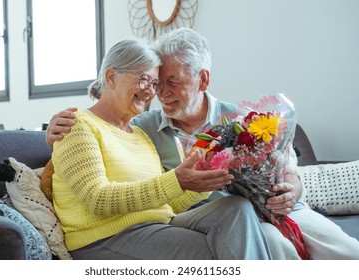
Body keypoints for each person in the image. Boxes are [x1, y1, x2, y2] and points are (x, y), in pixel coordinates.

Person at [47, 28, 359, 259]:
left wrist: (290, 190)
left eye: (168, 82)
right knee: (272, 245)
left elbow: (287, 166)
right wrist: (50, 134)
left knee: (346, 251)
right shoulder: (143, 126)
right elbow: (82, 170)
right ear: (112, 77)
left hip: (270, 209)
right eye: (154, 81)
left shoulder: (239, 119)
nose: (158, 92)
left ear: (203, 80)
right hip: (146, 227)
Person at [50, 38, 274, 260]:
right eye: (144, 79)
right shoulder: (77, 125)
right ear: (111, 77)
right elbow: (97, 199)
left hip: (157, 224)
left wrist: (201, 180)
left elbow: (167, 203)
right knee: (216, 252)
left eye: (154, 84)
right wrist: (177, 180)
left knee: (236, 208)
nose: (151, 92)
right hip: (105, 237)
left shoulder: (140, 135)